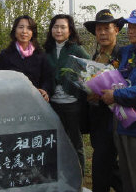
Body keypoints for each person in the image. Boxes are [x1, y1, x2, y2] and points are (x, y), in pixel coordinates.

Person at [101, 9, 136, 192]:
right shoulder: (128, 52)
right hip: (122, 122)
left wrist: (115, 95)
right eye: (129, 26)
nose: (130, 30)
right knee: (126, 178)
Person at [83, 9, 124, 192]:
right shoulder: (95, 56)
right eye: (99, 29)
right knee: (105, 162)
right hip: (98, 118)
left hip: (118, 117)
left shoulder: (123, 56)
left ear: (116, 29)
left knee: (103, 164)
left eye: (106, 28)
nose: (102, 33)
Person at [43, 14, 89, 173]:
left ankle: (79, 176)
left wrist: (79, 83)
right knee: (55, 142)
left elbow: (90, 68)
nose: (59, 30)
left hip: (72, 104)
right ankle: (61, 176)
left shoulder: (76, 49)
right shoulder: (47, 51)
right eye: (55, 27)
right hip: (53, 104)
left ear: (70, 30)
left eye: (63, 27)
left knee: (76, 144)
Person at [0, 15, 51, 102]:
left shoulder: (41, 55)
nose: (24, 31)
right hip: (12, 102)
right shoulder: (4, 55)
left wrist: (44, 91)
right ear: (14, 30)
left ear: (33, 32)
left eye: (29, 28)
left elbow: (47, 79)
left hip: (36, 101)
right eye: (21, 27)